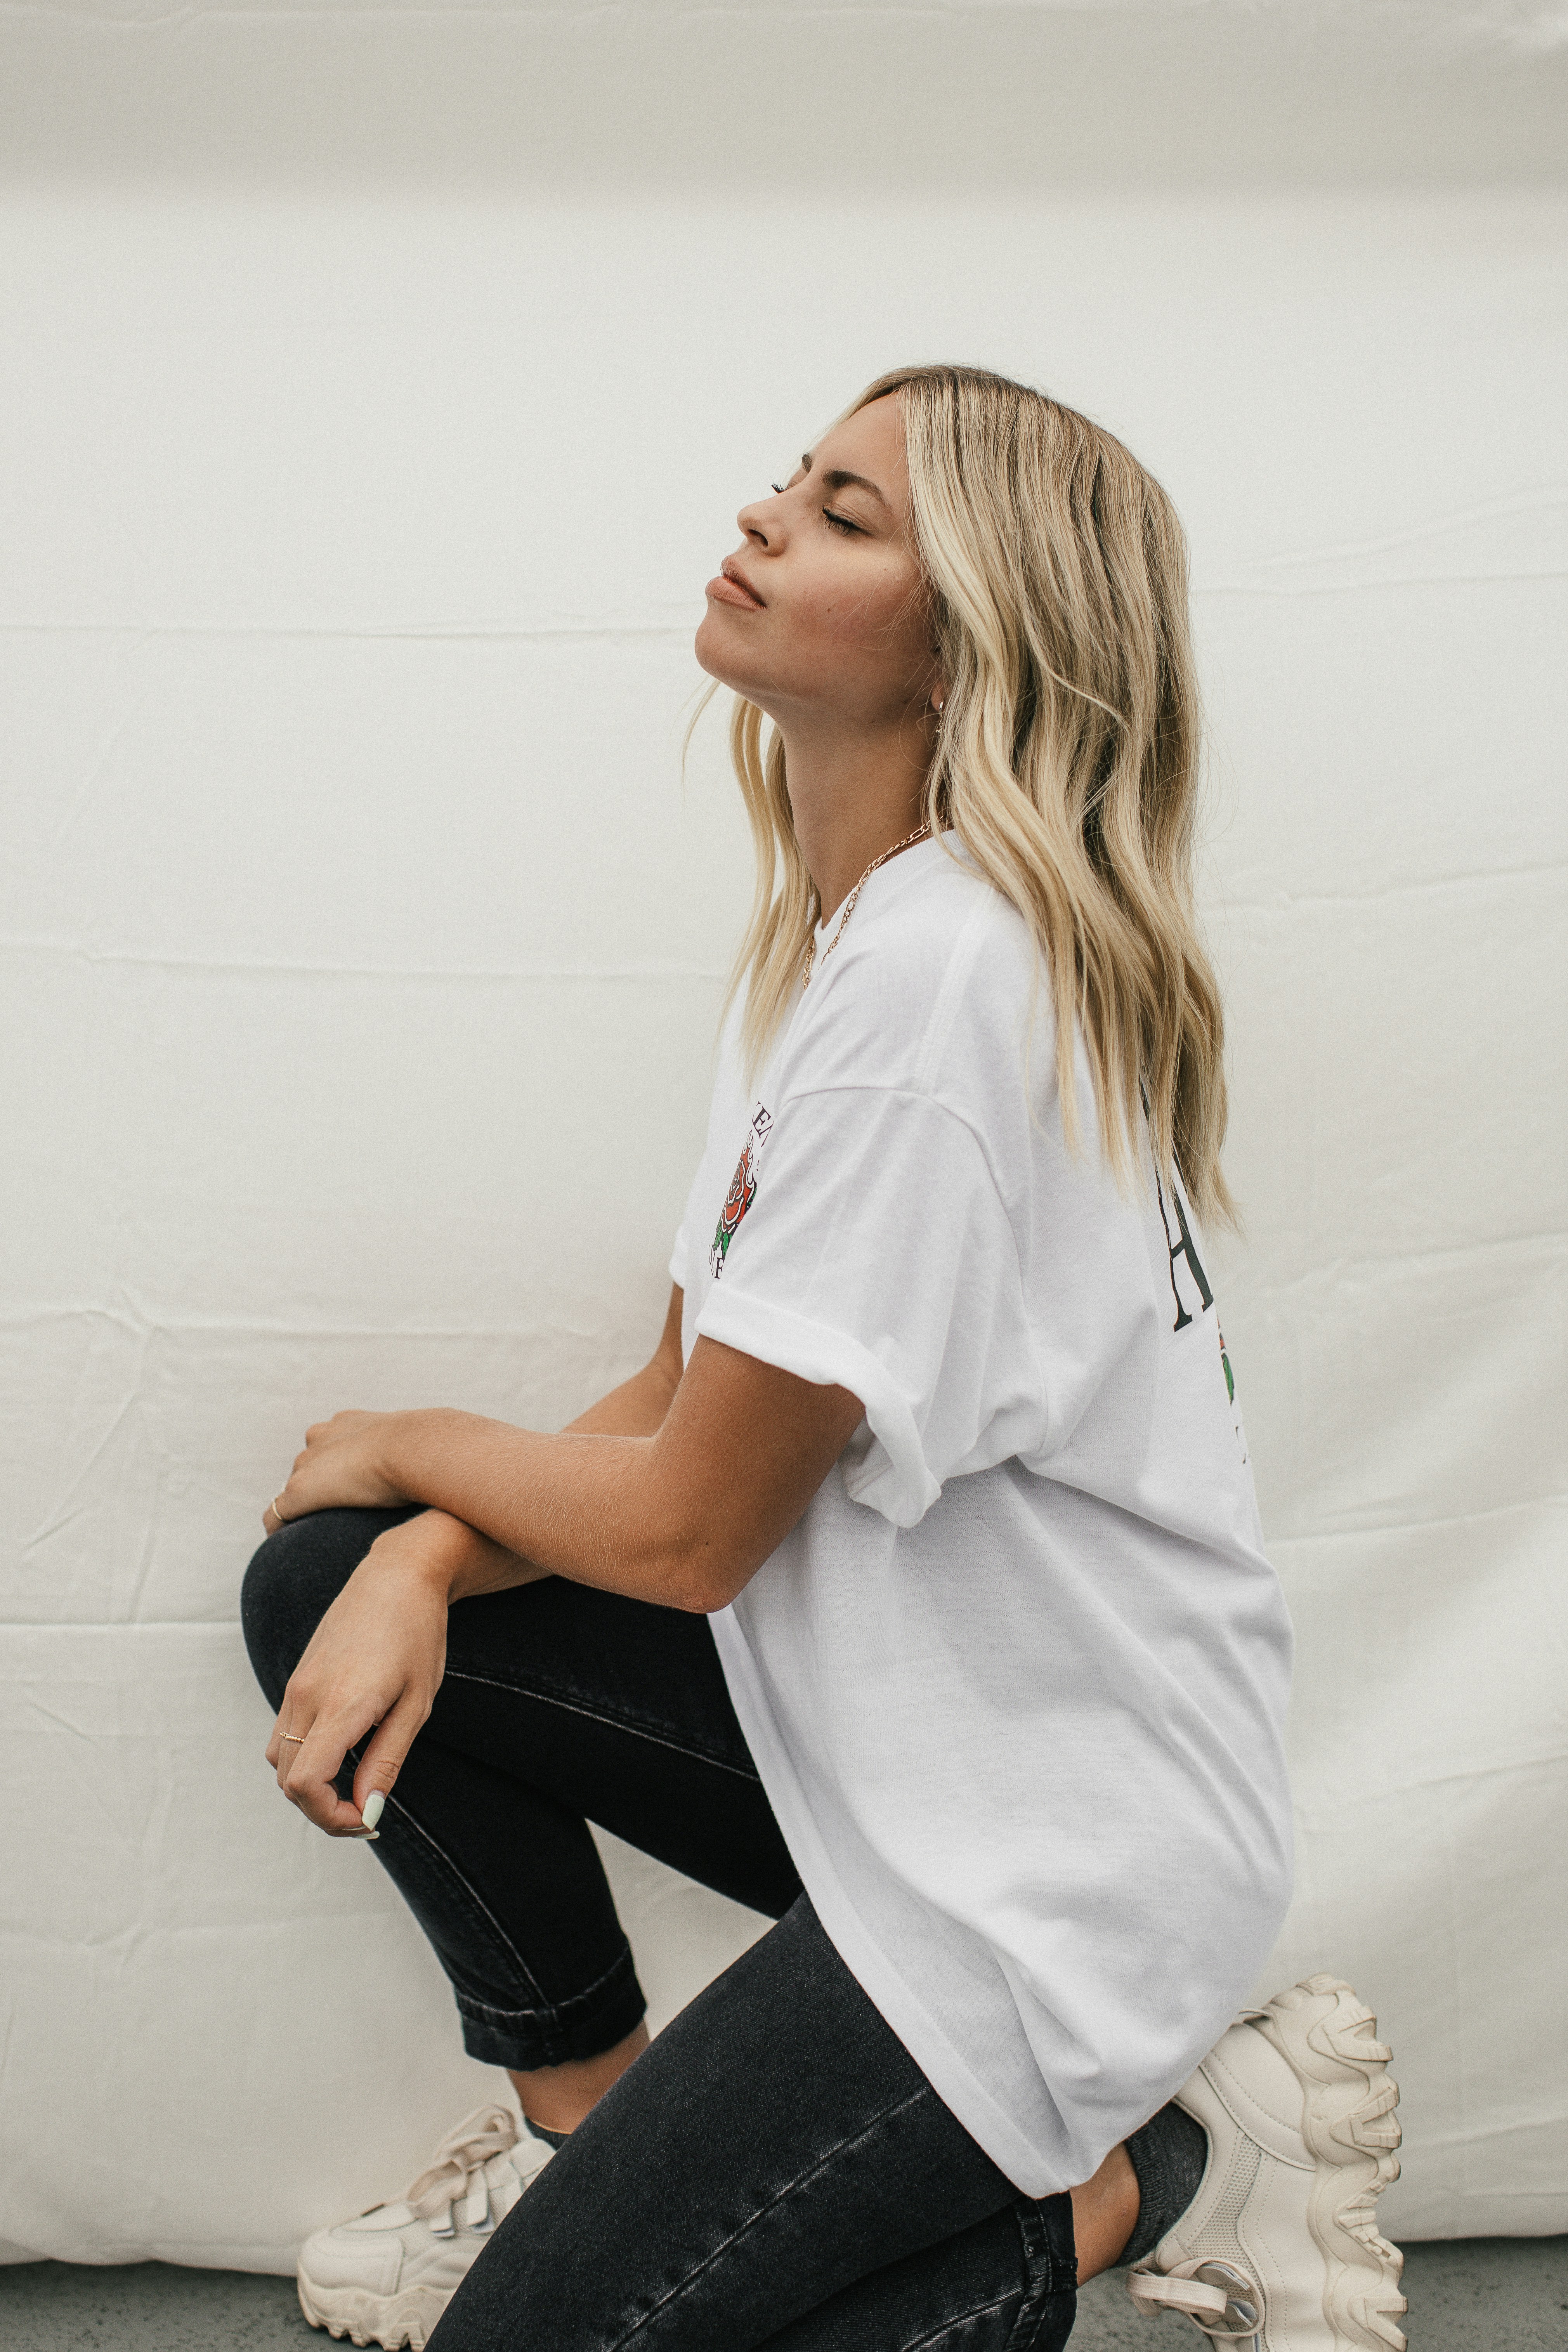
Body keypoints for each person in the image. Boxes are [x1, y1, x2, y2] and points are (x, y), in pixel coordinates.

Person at [241, 365, 1408, 2352]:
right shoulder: (849, 944)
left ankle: (1170, 2172)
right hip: (923, 1766)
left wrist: (399, 1441)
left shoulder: (944, 983)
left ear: (974, 650)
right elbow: (681, 1396)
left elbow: (690, 1531)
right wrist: (425, 1550)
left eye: (851, 514)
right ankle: (588, 2148)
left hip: (1052, 1861)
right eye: (795, 478)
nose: (771, 514)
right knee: (327, 1587)